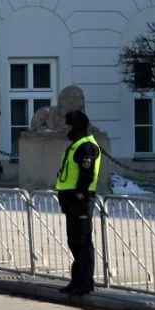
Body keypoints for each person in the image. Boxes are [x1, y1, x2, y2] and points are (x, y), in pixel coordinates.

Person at [55, 110, 101, 296]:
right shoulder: (76, 145)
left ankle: (85, 283)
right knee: (74, 241)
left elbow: (87, 174)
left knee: (82, 241)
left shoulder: (87, 146)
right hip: (72, 201)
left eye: (68, 125)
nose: (66, 128)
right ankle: (77, 281)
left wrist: (79, 194)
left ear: (76, 126)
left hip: (81, 200)